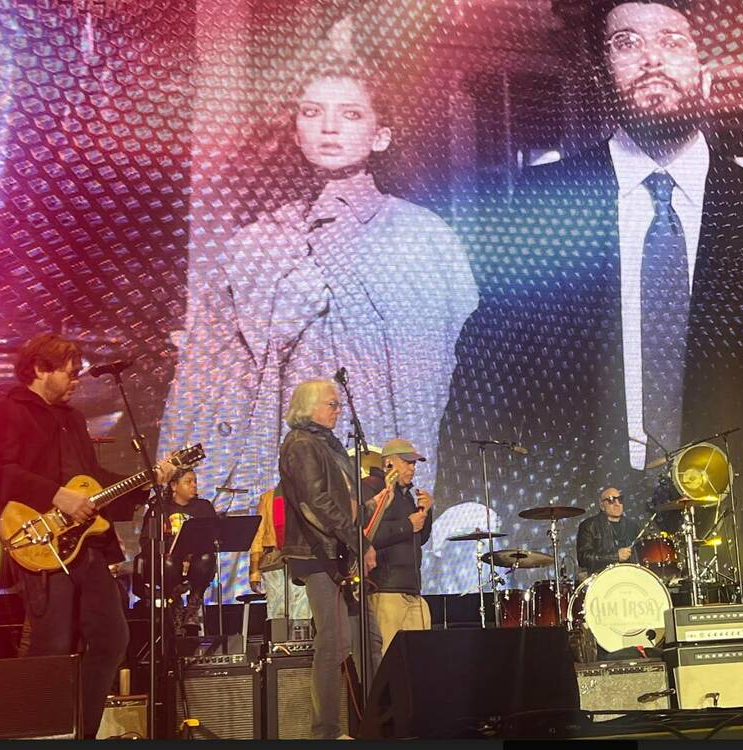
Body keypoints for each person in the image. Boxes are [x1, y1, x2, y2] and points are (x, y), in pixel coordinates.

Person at [433, 0, 743, 588]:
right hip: (576, 519)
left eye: (672, 41)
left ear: (703, 62)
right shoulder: (541, 204)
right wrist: (463, 503)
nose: (652, 58)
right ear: (601, 70)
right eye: (626, 42)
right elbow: (485, 368)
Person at [159, 51, 478, 512]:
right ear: (296, 129)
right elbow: (206, 368)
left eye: (350, 113)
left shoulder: (422, 236)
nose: (329, 127)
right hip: (272, 468)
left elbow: (438, 371)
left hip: (373, 473)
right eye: (312, 112)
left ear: (380, 134)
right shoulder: (255, 242)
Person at [0, 333, 176, 738]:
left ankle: (78, 730)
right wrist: (55, 495)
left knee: (111, 636)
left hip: (86, 545)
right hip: (39, 541)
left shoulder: (73, 419)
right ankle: (40, 732)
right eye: (69, 373)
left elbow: (94, 483)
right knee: (51, 644)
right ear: (39, 370)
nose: (75, 381)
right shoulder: (7, 412)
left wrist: (148, 481)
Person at [278, 379, 381, 740]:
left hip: (341, 549)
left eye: (338, 404)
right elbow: (317, 504)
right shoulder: (301, 444)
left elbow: (342, 503)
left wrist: (361, 534)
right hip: (318, 553)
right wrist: (358, 541)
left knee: (368, 640)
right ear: (308, 407)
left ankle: (378, 725)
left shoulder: (329, 444)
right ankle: (325, 733)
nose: (338, 410)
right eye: (331, 404)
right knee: (335, 642)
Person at [366, 438, 434, 654]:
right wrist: (407, 525)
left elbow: (420, 538)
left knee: (419, 656)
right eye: (407, 462)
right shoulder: (373, 488)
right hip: (387, 589)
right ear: (388, 463)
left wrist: (426, 511)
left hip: (412, 588)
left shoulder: (407, 497)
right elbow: (368, 536)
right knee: (387, 656)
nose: (412, 468)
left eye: (414, 463)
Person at [136, 467, 218, 636]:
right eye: (188, 482)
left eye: (195, 481)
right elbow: (145, 542)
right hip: (168, 563)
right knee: (168, 563)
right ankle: (176, 606)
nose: (194, 485)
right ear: (174, 486)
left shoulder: (203, 507)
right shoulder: (159, 509)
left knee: (207, 558)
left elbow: (211, 538)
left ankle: (193, 607)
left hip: (195, 563)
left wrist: (189, 558)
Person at [249, 484, 313, 626]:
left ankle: (300, 644)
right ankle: (278, 646)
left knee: (302, 608)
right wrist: (254, 572)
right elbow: (257, 535)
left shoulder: (308, 495)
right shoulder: (269, 497)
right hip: (274, 561)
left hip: (301, 557)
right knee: (277, 609)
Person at [577, 487, 643, 576]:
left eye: (620, 499)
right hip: (602, 578)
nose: (617, 504)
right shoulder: (589, 525)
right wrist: (616, 556)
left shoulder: (632, 526)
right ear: (601, 505)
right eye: (611, 500)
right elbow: (583, 558)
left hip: (630, 577)